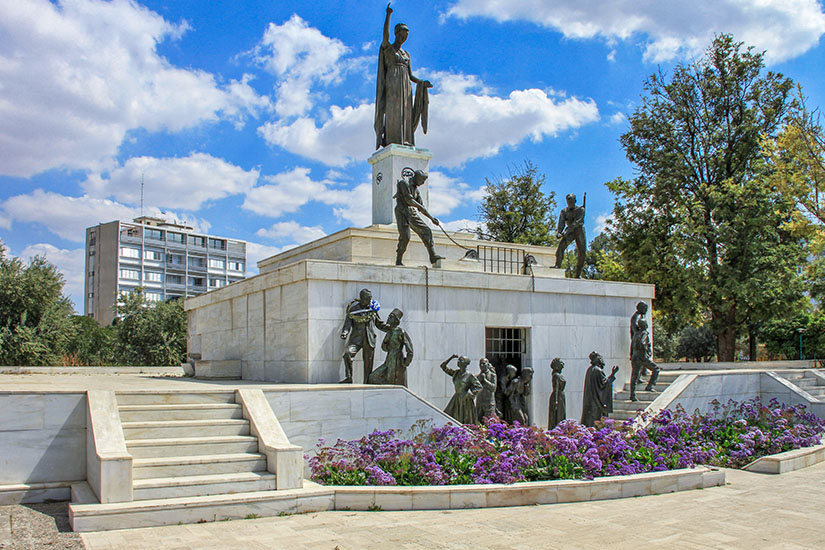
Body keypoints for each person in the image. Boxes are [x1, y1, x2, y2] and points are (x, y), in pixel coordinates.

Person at [375, 3, 432, 148]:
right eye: (401, 35)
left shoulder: (406, 54)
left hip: (406, 85)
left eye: (406, 36)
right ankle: (391, 138)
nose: (403, 38)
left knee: (405, 111)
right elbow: (385, 36)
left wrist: (422, 83)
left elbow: (411, 75)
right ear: (396, 34)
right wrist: (388, 15)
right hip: (392, 82)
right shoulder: (388, 48)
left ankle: (405, 139)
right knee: (393, 110)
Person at [340, 289, 390, 383]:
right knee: (347, 354)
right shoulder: (354, 309)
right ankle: (349, 377)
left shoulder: (372, 309)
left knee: (368, 364)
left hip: (369, 339)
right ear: (362, 298)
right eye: (368, 298)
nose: (370, 299)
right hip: (356, 339)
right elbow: (348, 323)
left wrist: (388, 328)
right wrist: (345, 333)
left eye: (370, 297)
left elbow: (379, 323)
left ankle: (367, 382)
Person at [395, 170, 443, 265]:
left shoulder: (416, 190)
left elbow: (422, 207)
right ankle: (399, 259)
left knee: (427, 231)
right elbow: (409, 200)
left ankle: (432, 256)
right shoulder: (403, 183)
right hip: (402, 211)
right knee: (405, 237)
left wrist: (432, 218)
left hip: (411, 212)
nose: (422, 183)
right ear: (417, 177)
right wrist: (419, 207)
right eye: (422, 180)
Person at [367, 308, 413, 386]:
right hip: (389, 360)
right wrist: (385, 342)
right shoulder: (389, 332)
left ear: (396, 320)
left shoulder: (400, 332)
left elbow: (409, 349)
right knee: (373, 377)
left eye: (391, 317)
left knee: (394, 381)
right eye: (389, 316)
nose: (388, 318)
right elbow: (384, 348)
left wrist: (406, 362)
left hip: (397, 360)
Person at [440, 354, 482, 424]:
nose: (458, 361)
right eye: (458, 360)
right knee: (448, 415)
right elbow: (443, 366)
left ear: (466, 363)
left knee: (464, 420)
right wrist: (451, 357)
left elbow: (479, 386)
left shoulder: (469, 375)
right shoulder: (456, 373)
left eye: (461, 360)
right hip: (456, 398)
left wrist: (472, 394)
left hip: (465, 400)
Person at [580, 351, 619, 427]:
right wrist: (613, 374)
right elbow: (604, 385)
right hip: (596, 404)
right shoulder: (598, 371)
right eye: (600, 357)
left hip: (590, 402)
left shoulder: (590, 370)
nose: (602, 359)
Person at [554, 193, 586, 278]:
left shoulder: (581, 210)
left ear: (575, 201)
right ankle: (557, 265)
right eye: (568, 201)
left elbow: (577, 222)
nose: (569, 203)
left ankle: (578, 274)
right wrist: (559, 232)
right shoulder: (564, 211)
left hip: (579, 231)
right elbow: (561, 223)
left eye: (571, 201)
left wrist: (567, 231)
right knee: (561, 247)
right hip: (569, 232)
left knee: (582, 252)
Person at [630, 319, 660, 401]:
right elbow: (643, 344)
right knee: (656, 369)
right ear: (644, 325)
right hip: (641, 357)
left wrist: (631, 355)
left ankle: (632, 394)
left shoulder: (636, 334)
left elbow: (632, 346)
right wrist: (645, 355)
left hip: (634, 357)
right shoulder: (644, 333)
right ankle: (649, 386)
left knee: (634, 375)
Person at [630, 301, 649, 385]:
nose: (646, 310)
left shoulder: (641, 316)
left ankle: (640, 376)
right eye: (645, 308)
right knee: (639, 362)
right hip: (637, 343)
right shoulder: (636, 317)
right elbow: (635, 330)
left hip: (639, 342)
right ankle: (637, 378)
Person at [476, 358, 498, 422]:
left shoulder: (492, 375)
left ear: (487, 364)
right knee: (478, 421)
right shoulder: (478, 376)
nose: (482, 365)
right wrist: (480, 379)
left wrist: (485, 380)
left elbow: (493, 388)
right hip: (480, 402)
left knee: (489, 422)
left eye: (483, 363)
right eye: (480, 364)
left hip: (489, 402)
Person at [547, 358, 566, 429]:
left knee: (561, 414)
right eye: (561, 364)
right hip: (557, 396)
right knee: (557, 415)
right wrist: (556, 400)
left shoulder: (558, 375)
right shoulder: (556, 375)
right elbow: (555, 388)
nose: (563, 366)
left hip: (560, 396)